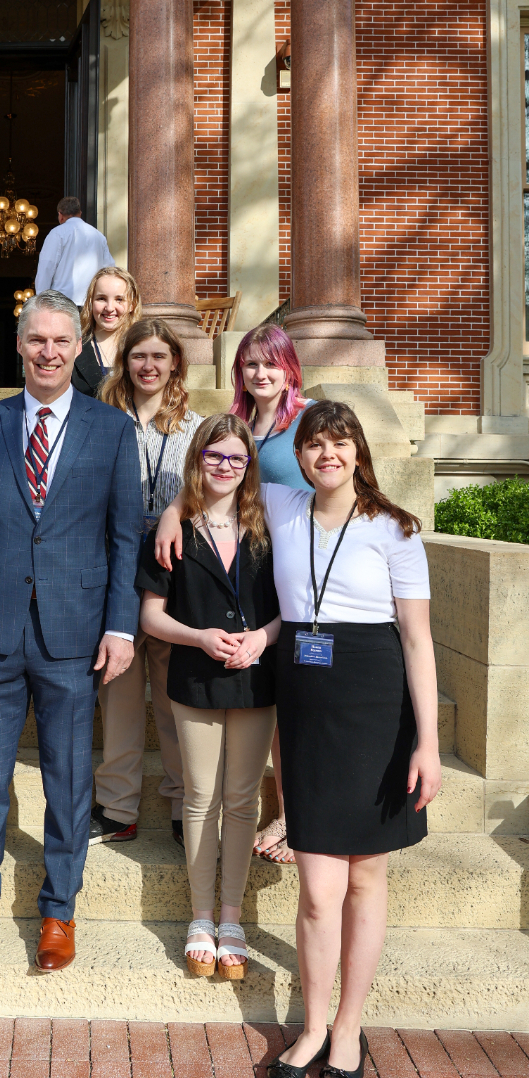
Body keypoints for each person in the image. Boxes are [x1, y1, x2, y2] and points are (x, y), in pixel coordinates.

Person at [157, 400, 441, 1078]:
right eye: (315, 444)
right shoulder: (283, 507)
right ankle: (312, 1026)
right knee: (318, 891)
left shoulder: (395, 530)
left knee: (365, 877)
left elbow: (417, 640)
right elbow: (214, 477)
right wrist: (171, 511)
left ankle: (348, 1028)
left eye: (340, 444)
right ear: (301, 455)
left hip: (377, 705)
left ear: (358, 451)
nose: (327, 455)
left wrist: (428, 742)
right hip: (308, 706)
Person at [0, 290, 142, 973]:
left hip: (74, 635)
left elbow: (124, 540)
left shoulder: (111, 430)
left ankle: (58, 913)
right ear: (19, 346)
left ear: (78, 348)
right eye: (36, 340)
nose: (47, 352)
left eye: (60, 341)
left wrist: (121, 628)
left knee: (69, 780)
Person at [137, 414, 280, 979]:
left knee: (243, 800)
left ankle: (232, 917)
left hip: (254, 677)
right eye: (214, 456)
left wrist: (261, 639)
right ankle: (200, 917)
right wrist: (197, 636)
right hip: (195, 679)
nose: (225, 467)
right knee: (199, 799)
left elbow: (289, 609)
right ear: (197, 460)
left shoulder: (270, 526)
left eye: (236, 459)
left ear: (249, 466)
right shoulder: (175, 531)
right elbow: (151, 616)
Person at [91, 318, 204, 848]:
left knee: (174, 691)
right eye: (140, 356)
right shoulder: (100, 418)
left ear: (175, 362)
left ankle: (187, 803)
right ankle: (117, 807)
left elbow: (213, 490)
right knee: (118, 690)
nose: (149, 365)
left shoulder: (196, 427)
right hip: (113, 566)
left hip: (173, 570)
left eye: (160, 356)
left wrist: (175, 513)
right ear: (126, 361)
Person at [229, 324, 311, 865]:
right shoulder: (235, 425)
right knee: (274, 698)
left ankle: (295, 816)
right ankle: (280, 810)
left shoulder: (308, 420)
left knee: (299, 704)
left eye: (271, 364)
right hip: (251, 574)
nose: (262, 374)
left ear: (289, 370)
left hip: (301, 574)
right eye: (252, 365)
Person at [72, 265, 141, 397]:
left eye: (119, 299)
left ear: (132, 304)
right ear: (91, 302)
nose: (109, 308)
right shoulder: (73, 348)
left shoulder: (142, 348)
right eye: (101, 298)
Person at [33, 196, 115, 306]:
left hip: (62, 303)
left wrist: (41, 300)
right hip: (90, 303)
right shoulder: (98, 236)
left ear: (60, 215)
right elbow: (109, 269)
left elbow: (47, 266)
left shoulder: (57, 233)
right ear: (80, 213)